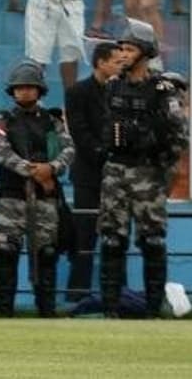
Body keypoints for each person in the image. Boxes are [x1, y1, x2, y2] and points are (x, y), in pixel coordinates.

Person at [98, 19, 189, 318]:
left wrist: (161, 169)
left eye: (130, 48)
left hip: (148, 171)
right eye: (121, 48)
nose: (123, 54)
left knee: (152, 240)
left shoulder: (163, 89)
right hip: (116, 169)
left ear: (146, 51)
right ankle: (110, 309)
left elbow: (178, 136)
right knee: (111, 240)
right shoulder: (113, 86)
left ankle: (152, 310)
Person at [0, 61, 75, 317]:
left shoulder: (53, 120)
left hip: (45, 198)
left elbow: (68, 149)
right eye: (19, 88)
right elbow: (1, 152)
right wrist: (36, 171)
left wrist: (53, 168)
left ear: (40, 90)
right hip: (11, 196)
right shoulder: (1, 120)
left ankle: (46, 311)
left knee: (46, 253)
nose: (24, 92)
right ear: (12, 91)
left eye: (30, 87)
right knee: (6, 252)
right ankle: (3, 312)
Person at [63, 40, 125, 301]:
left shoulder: (122, 92)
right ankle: (78, 294)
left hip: (118, 175)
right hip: (89, 174)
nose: (120, 66)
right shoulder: (78, 92)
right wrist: (104, 154)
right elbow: (79, 131)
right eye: (116, 61)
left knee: (117, 234)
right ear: (101, 62)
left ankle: (119, 294)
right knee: (85, 235)